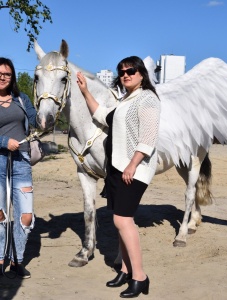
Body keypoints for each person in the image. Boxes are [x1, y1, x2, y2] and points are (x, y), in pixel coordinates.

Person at [77, 56, 161, 298]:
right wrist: (84, 92)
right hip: (117, 168)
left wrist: (133, 165)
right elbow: (102, 115)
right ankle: (125, 270)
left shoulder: (147, 99)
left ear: (141, 73)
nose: (125, 75)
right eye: (122, 72)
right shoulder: (126, 100)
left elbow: (148, 138)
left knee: (123, 221)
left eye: (131, 71)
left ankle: (140, 277)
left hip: (133, 169)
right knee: (119, 220)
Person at [0, 57, 37, 279]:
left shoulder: (21, 99)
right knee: (0, 214)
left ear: (12, 77)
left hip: (21, 160)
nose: (2, 77)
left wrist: (47, 111)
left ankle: (17, 260)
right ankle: (0, 258)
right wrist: (4, 142)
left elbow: (36, 120)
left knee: (25, 215)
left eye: (7, 74)